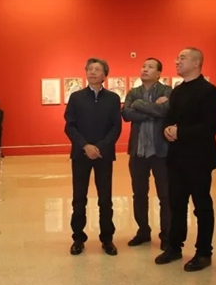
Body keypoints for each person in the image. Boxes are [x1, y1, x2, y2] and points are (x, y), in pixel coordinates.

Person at [155, 47, 216, 272]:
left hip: (199, 158)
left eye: (182, 58)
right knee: (176, 204)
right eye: (177, 58)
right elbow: (169, 118)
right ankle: (174, 247)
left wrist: (180, 132)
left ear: (196, 63)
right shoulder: (177, 91)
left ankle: (204, 252)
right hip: (176, 157)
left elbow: (211, 126)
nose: (177, 61)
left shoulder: (209, 91)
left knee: (201, 206)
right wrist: (167, 130)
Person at [64, 58, 122, 256]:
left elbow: (116, 128)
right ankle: (78, 238)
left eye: (97, 69)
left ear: (105, 74)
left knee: (105, 199)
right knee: (79, 198)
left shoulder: (113, 98)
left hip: (103, 155)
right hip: (81, 154)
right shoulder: (76, 97)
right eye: (90, 69)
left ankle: (107, 239)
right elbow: (69, 126)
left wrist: (99, 147)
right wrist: (85, 146)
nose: (93, 72)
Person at [122, 58, 173, 251]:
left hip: (161, 152)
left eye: (150, 67)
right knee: (139, 194)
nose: (145, 69)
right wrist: (153, 109)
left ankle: (166, 235)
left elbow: (166, 111)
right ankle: (143, 231)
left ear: (159, 73)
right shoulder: (133, 92)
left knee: (165, 195)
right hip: (138, 152)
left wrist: (139, 105)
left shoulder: (167, 91)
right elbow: (126, 114)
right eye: (144, 66)